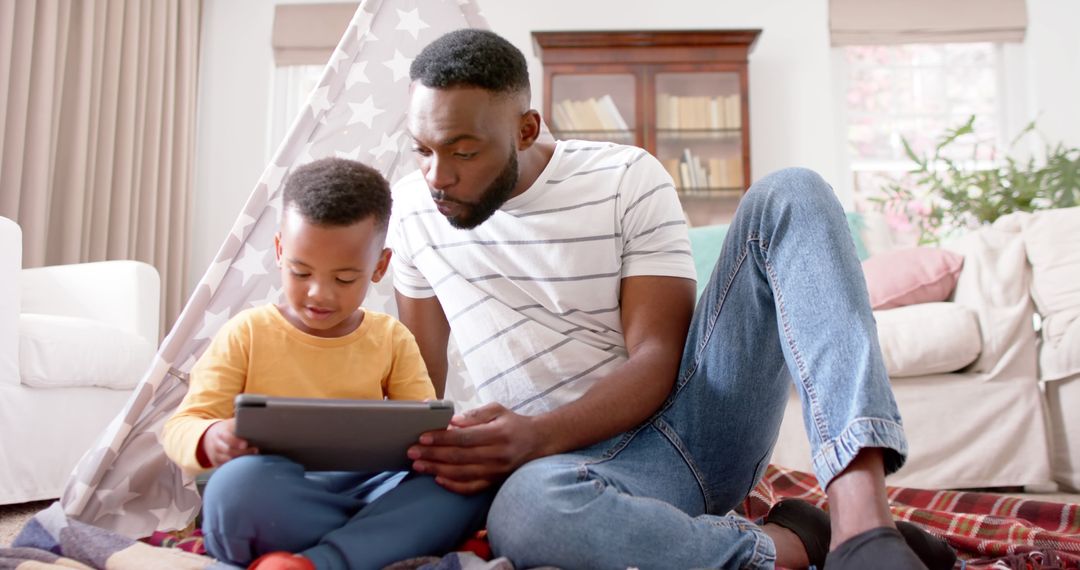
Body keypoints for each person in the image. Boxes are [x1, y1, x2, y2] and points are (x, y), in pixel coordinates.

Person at [390, 29, 953, 569]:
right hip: (566, 472)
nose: (438, 175)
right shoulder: (412, 212)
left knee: (793, 193)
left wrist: (534, 435)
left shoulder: (624, 178)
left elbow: (657, 359)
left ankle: (863, 528)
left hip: (686, 431)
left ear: (525, 129)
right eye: (422, 150)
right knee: (527, 515)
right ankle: (801, 544)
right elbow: (419, 388)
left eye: (463, 152)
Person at [162, 157, 494, 570]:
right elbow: (179, 426)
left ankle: (318, 561)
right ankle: (364, 546)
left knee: (466, 482)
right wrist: (210, 436)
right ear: (280, 251)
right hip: (277, 494)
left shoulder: (390, 337)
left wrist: (448, 447)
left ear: (379, 267)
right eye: (301, 273)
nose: (319, 294)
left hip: (367, 489)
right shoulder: (246, 333)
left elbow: (423, 432)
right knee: (235, 487)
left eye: (343, 279)